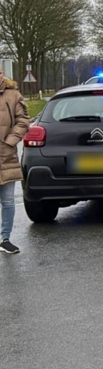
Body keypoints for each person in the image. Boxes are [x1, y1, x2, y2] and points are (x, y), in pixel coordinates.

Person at [0, 67, 29, 254]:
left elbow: (23, 120)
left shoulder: (13, 95)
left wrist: (10, 142)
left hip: (5, 155)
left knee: (8, 201)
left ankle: (5, 239)